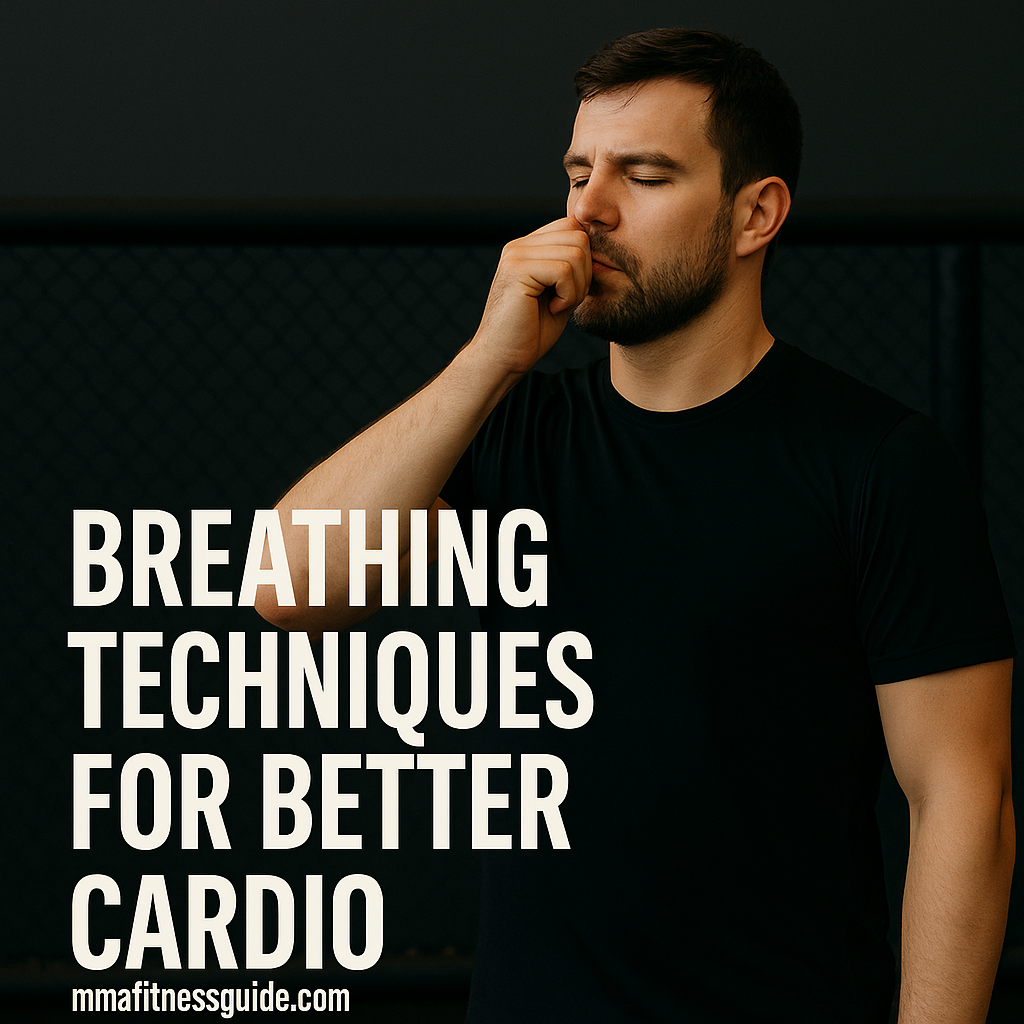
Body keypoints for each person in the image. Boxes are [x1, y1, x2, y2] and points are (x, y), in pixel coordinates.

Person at [256, 28, 1015, 1024]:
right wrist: (488, 362)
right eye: (578, 172)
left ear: (755, 214)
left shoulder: (877, 462)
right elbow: (291, 590)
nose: (587, 211)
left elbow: (963, 803)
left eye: (644, 175)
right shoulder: (513, 433)